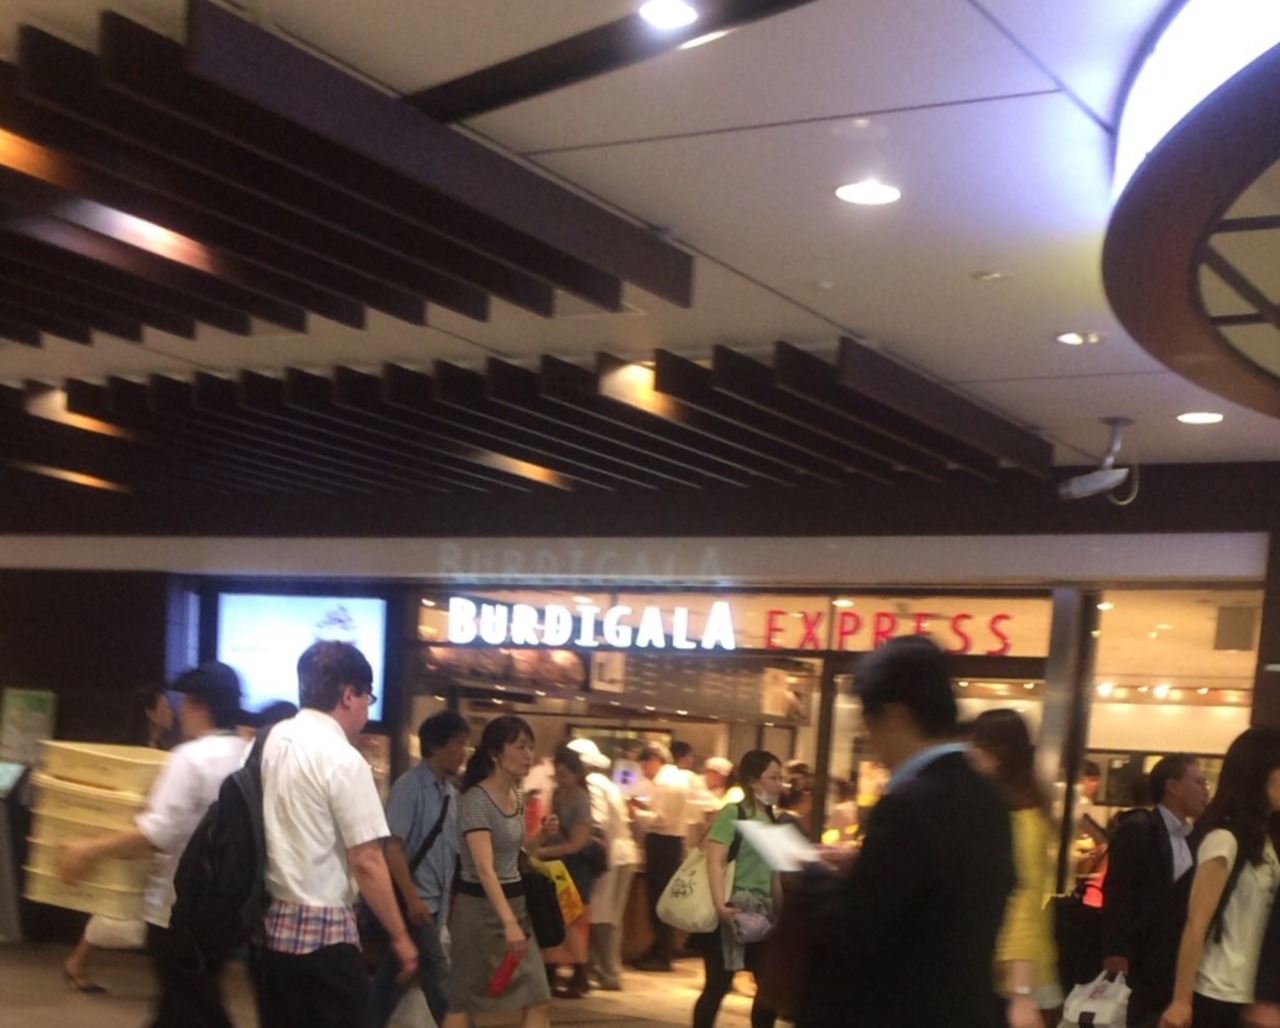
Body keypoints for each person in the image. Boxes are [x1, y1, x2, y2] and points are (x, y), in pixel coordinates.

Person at [796, 635, 1015, 1027]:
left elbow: (857, 931)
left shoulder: (908, 804)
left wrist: (810, 871)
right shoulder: (987, 796)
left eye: (869, 724)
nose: (870, 739)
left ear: (896, 715)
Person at [58, 663, 251, 1027]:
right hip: (226, 909)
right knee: (188, 1002)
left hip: (176, 908)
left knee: (191, 1004)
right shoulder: (247, 755)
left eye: (185, 702)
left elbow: (155, 833)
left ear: (201, 705)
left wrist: (88, 850)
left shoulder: (190, 758)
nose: (179, 712)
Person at [252, 641, 416, 1028]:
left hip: (271, 932)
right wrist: (399, 936)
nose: (367, 709)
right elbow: (367, 860)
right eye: (367, 698)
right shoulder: (343, 760)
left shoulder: (272, 740)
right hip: (326, 940)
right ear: (348, 695)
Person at [1158, 728, 1280, 1028]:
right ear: (1260, 772)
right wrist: (1181, 1000)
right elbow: (1196, 923)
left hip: (1250, 993)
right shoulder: (1225, 838)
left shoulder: (1264, 839)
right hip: (1216, 991)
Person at [62, 683, 177, 993]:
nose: (171, 712)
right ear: (150, 713)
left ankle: (78, 961)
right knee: (116, 904)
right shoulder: (135, 752)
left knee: (121, 903)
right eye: (164, 707)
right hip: (130, 835)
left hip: (143, 836)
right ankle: (77, 961)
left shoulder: (159, 749)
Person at [440, 715, 552, 1028]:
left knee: (538, 997)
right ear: (495, 753)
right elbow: (484, 868)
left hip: (516, 906)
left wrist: (541, 836)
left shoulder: (517, 796)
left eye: (530, 747)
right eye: (520, 747)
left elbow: (514, 855)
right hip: (479, 912)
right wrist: (508, 923)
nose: (528, 755)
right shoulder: (476, 800)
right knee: (463, 1001)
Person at [366, 710, 469, 1028]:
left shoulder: (451, 794)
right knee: (442, 987)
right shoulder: (409, 788)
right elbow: (392, 847)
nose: (463, 752)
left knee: (388, 985)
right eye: (457, 743)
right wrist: (412, 899)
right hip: (415, 905)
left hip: (433, 907)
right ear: (436, 745)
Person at [970, 709, 1063, 1028]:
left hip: (1011, 982)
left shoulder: (1018, 820)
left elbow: (1020, 902)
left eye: (974, 747)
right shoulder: (1020, 811)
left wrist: (1021, 993)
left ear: (996, 754)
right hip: (1016, 977)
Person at [1101, 753, 1209, 1026]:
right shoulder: (1140, 829)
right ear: (1173, 786)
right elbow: (1118, 892)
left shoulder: (1195, 836)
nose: (1205, 790)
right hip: (1139, 955)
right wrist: (1116, 951)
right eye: (1198, 782)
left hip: (1172, 959)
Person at [694, 749, 785, 1028]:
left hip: (762, 911)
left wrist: (780, 912)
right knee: (718, 985)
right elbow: (715, 860)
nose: (779, 784)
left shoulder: (772, 819)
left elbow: (774, 875)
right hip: (732, 908)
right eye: (773, 777)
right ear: (754, 781)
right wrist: (720, 905)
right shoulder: (733, 812)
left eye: (780, 778)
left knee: (768, 987)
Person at [567, 737, 638, 992]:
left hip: (609, 856)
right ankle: (606, 971)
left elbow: (598, 821)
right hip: (623, 854)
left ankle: (607, 972)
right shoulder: (607, 782)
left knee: (601, 917)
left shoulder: (593, 785)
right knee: (609, 918)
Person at [536, 743, 599, 998]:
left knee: (572, 922)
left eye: (564, 775)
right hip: (557, 866)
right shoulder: (558, 795)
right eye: (557, 775)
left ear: (576, 773)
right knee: (557, 920)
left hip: (575, 868)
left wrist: (544, 852)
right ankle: (553, 970)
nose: (560, 780)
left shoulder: (581, 800)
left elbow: (577, 843)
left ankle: (580, 974)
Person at [632, 741, 690, 971]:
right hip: (672, 844)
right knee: (663, 900)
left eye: (644, 766)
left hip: (662, 844)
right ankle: (659, 948)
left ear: (655, 760)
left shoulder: (665, 783)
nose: (643, 772)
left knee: (658, 900)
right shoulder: (678, 778)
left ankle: (663, 954)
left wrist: (637, 812)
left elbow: (661, 819)